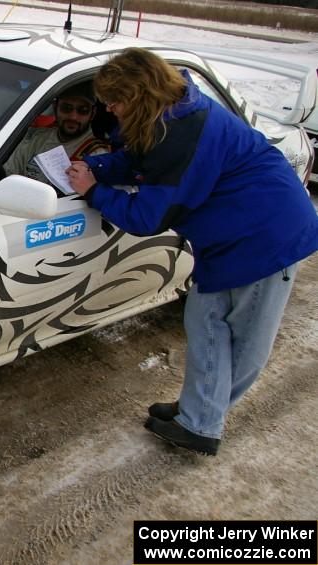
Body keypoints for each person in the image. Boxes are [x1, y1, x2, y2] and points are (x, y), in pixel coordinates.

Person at [66, 47, 318, 456]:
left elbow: (149, 217)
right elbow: (142, 160)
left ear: (139, 95)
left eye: (115, 101)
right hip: (231, 234)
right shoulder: (171, 113)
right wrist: (98, 169)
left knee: (241, 340)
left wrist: (93, 192)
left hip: (268, 236)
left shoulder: (183, 133)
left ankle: (202, 422)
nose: (109, 109)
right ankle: (200, 409)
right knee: (207, 325)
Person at [4, 82, 110, 185]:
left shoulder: (97, 154)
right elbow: (7, 176)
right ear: (55, 107)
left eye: (83, 110)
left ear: (92, 114)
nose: (73, 117)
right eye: (66, 108)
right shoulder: (37, 138)